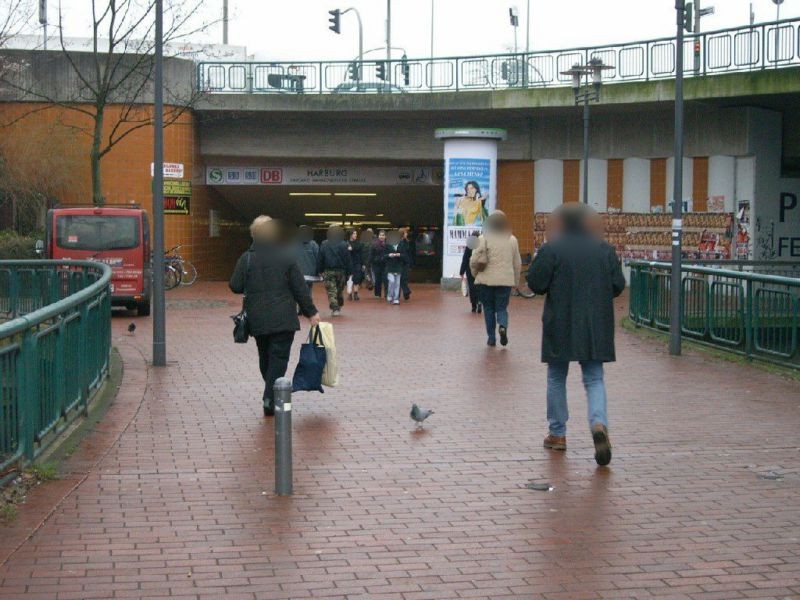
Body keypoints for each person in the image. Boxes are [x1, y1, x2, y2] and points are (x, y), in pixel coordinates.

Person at [527, 203, 626, 466]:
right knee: (594, 378)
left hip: (560, 321)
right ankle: (598, 423)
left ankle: (558, 434)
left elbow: (535, 284)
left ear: (561, 223)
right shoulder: (604, 250)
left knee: (557, 376)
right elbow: (618, 285)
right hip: (595, 325)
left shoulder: (552, 249)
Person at [229, 215, 320, 417]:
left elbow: (235, 286)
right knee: (279, 358)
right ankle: (270, 396)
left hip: (258, 318)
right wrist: (311, 312)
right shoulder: (286, 257)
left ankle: (270, 393)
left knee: (265, 357)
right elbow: (299, 288)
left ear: (254, 234)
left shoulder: (247, 258)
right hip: (283, 318)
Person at [470, 211, 521, 347]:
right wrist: (516, 281)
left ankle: (491, 338)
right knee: (502, 307)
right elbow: (517, 263)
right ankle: (503, 326)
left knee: (488, 309)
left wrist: (475, 275)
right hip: (505, 281)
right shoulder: (512, 239)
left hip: (485, 281)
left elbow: (474, 260)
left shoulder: (482, 238)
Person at [317, 225, 352, 317]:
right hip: (341, 271)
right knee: (338, 290)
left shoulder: (324, 244)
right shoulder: (344, 244)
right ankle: (336, 307)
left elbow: (320, 258)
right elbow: (348, 259)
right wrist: (349, 272)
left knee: (331, 290)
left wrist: (319, 270)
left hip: (328, 270)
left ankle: (336, 305)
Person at [459, 231, 482, 313]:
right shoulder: (481, 245)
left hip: (470, 269)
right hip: (480, 269)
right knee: (479, 287)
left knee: (472, 287)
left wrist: (461, 272)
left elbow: (465, 259)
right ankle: (479, 302)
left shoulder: (469, 246)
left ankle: (473, 306)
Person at [384, 230, 408, 305]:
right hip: (390, 266)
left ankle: (396, 298)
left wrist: (399, 255)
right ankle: (390, 295)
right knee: (391, 281)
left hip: (398, 265)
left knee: (397, 283)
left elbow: (405, 255)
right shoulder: (387, 245)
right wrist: (389, 255)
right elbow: (383, 256)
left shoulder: (402, 244)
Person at [295, 225, 319, 296]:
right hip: (310, 275)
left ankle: (299, 305)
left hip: (297, 274)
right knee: (308, 293)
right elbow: (319, 259)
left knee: (297, 293)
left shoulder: (293, 243)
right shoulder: (313, 244)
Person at [347, 229, 365, 301]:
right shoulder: (346, 243)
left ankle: (356, 293)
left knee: (357, 279)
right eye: (354, 233)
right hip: (348, 263)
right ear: (350, 235)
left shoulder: (359, 243)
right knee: (349, 279)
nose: (355, 235)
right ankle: (349, 294)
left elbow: (361, 254)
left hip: (357, 263)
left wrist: (363, 264)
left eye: (356, 233)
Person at [370, 230, 388, 299]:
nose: (381, 236)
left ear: (385, 236)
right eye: (380, 235)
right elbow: (371, 255)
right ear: (378, 236)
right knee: (378, 280)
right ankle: (377, 294)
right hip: (376, 264)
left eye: (383, 235)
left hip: (385, 264)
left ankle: (387, 294)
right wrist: (369, 264)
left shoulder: (388, 245)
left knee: (386, 279)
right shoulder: (374, 245)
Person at [398, 227, 414, 301]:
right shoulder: (400, 243)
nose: (406, 234)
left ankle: (405, 292)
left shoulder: (406, 242)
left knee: (404, 278)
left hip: (406, 262)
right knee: (402, 278)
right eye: (405, 233)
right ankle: (406, 292)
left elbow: (409, 253)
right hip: (401, 262)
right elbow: (400, 252)